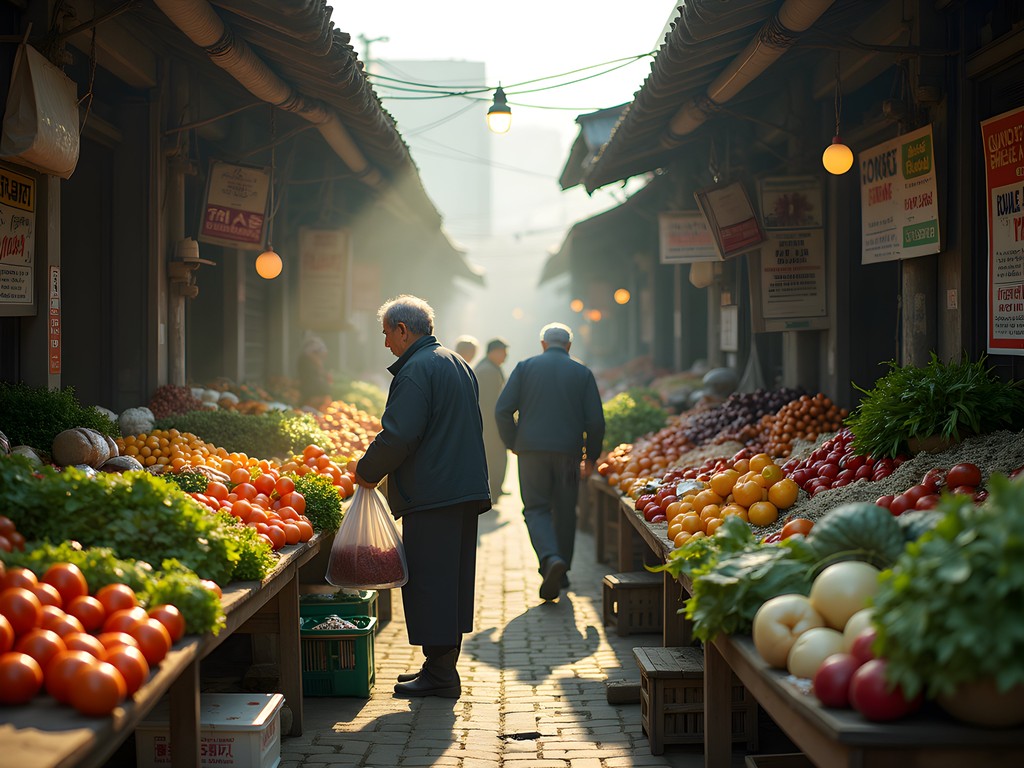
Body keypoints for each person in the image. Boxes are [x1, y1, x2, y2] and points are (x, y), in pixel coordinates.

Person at [349, 295, 491, 699]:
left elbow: (399, 435)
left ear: (403, 330)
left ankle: (441, 676)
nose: (386, 344)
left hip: (435, 492)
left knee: (431, 581)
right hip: (461, 488)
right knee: (452, 581)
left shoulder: (415, 370)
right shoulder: (455, 362)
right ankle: (439, 668)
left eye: (387, 335)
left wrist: (366, 471)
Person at [495, 322, 605, 601]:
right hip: (569, 454)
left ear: (543, 344)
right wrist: (590, 457)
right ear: (569, 346)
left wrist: (513, 443)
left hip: (531, 452)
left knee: (536, 509)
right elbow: (595, 421)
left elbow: (503, 410)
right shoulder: (582, 373)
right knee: (567, 510)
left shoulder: (524, 367)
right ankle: (562, 570)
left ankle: (549, 558)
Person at [474, 337, 510, 502]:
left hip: (488, 422)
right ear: (493, 352)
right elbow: (490, 402)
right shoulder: (488, 371)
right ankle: (493, 490)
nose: (505, 356)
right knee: (495, 456)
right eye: (503, 352)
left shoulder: (489, 367)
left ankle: (494, 489)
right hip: (490, 423)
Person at [297, 334, 331, 410]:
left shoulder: (312, 361)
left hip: (314, 392)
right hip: (311, 393)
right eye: (318, 354)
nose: (321, 358)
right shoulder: (307, 361)